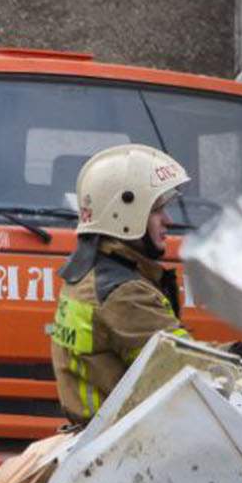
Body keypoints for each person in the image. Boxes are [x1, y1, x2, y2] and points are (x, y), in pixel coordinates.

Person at [49, 144, 193, 423]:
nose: (168, 220)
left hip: (101, 433)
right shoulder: (125, 294)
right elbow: (193, 372)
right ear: (125, 213)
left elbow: (180, 353)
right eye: (157, 210)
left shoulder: (88, 275)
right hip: (126, 438)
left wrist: (237, 351)